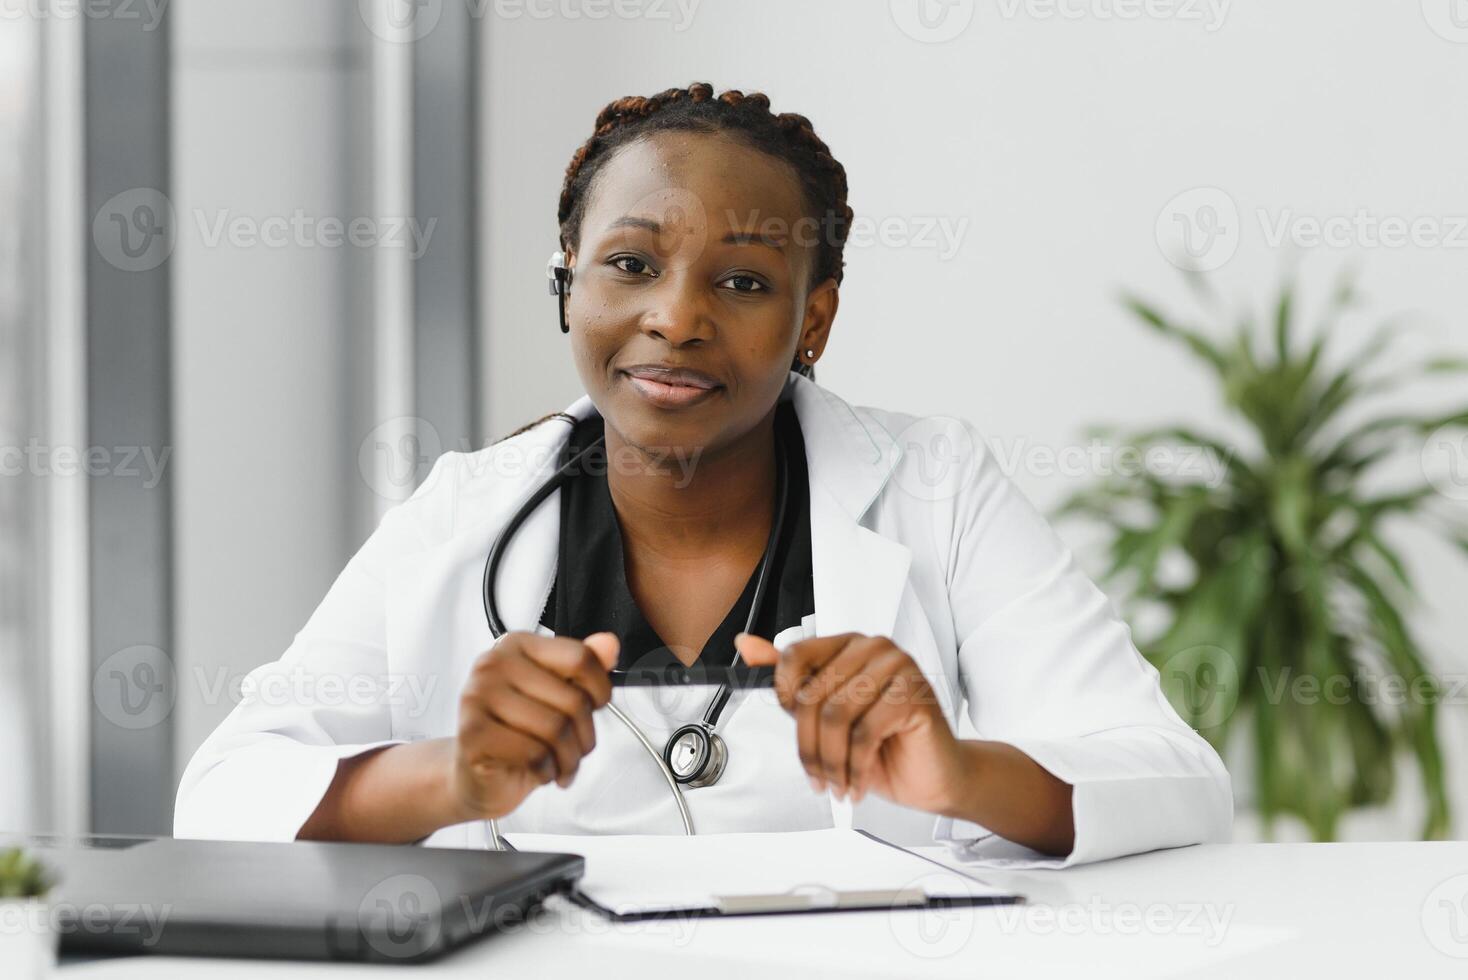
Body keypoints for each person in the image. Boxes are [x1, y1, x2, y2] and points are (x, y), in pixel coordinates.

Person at [175, 82, 1231, 867]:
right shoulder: (466, 508)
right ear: (567, 284)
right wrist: (450, 774)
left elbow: (1176, 781)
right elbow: (222, 794)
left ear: (812, 317)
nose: (675, 317)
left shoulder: (936, 486)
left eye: (742, 280)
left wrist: (955, 770)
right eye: (629, 264)